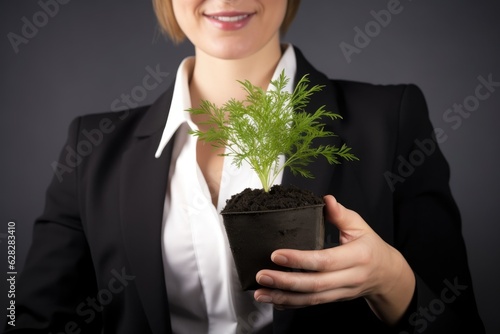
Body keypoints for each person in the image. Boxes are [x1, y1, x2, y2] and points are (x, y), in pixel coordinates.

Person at [6, 0, 485, 333]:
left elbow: (456, 321)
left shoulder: (391, 120)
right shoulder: (91, 148)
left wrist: (391, 281)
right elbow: (32, 319)